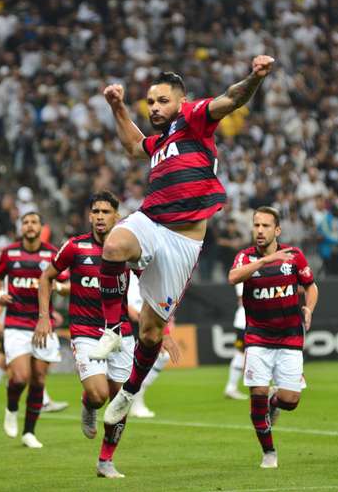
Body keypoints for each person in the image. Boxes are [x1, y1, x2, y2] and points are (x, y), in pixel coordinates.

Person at [95, 55, 275, 428]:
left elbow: (231, 99)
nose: (155, 107)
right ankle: (112, 329)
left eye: (162, 101)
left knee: (150, 333)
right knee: (112, 246)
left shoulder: (194, 118)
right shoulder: (160, 142)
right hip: (151, 219)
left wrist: (254, 78)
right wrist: (117, 106)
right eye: (150, 102)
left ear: (180, 101)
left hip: (183, 242)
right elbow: (133, 145)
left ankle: (129, 392)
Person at [35, 191, 157, 478]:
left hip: (122, 333)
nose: (100, 217)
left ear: (117, 216)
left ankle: (105, 460)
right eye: (96, 212)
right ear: (90, 216)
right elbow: (46, 277)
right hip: (86, 331)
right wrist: (44, 317)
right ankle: (88, 404)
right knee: (98, 394)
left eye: (105, 212)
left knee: (120, 402)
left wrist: (162, 328)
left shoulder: (127, 249)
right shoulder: (75, 248)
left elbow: (151, 288)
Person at [228, 207, 319, 469]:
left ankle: (274, 400)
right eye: (256, 225)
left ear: (277, 230)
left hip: (290, 337)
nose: (259, 230)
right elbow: (233, 277)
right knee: (256, 394)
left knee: (291, 401)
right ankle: (269, 453)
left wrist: (308, 308)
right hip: (257, 337)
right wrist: (264, 261)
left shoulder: (294, 257)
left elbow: (311, 285)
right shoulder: (245, 258)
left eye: (265, 226)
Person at [0, 212, 68, 448]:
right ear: (21, 227)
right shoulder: (9, 252)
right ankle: (11, 407)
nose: (29, 226)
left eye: (33, 222)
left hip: (42, 323)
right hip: (16, 322)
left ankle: (29, 432)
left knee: (38, 379)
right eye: (25, 222)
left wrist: (58, 286)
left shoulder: (52, 253)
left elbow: (66, 283)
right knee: (19, 377)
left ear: (40, 227)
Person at [126, 270, 172, 418]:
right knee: (129, 362)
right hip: (127, 320)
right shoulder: (125, 266)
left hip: (149, 318)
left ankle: (136, 396)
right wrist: (127, 307)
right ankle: (133, 400)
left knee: (162, 356)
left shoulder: (154, 270)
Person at [223, 282, 248, 400]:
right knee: (241, 354)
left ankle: (231, 387)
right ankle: (231, 387)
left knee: (242, 354)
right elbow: (242, 298)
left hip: (246, 322)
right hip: (244, 322)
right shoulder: (243, 275)